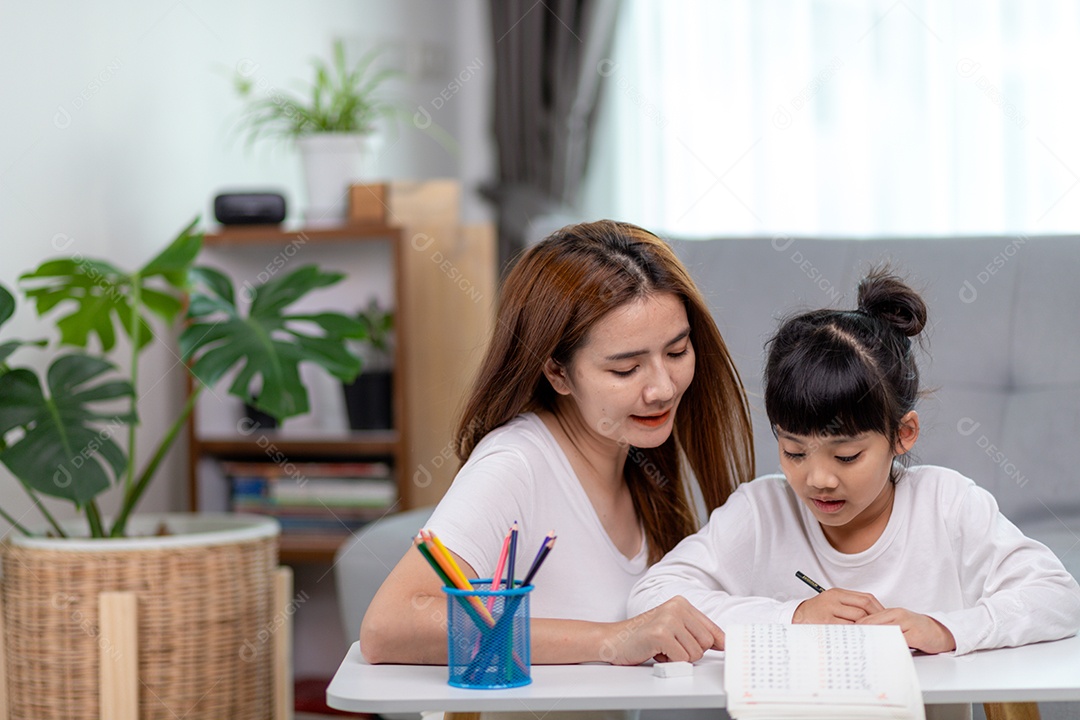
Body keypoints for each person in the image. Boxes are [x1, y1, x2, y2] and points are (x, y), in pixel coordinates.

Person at [360, 219, 755, 671]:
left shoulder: (639, 457)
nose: (663, 389)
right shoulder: (515, 463)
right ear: (558, 373)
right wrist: (612, 639)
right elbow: (385, 628)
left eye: (677, 352)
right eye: (626, 370)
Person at [627, 267, 1080, 658]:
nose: (818, 479)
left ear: (902, 434)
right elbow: (651, 598)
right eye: (794, 452)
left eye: (847, 455)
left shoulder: (947, 505)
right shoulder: (762, 511)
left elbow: (1060, 597)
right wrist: (794, 616)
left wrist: (946, 629)